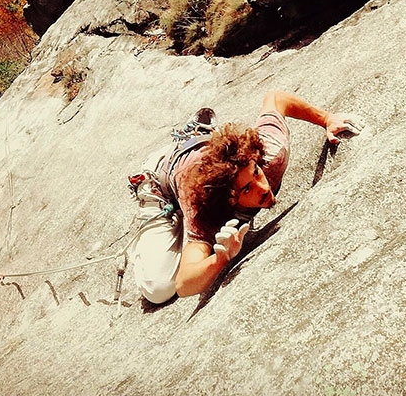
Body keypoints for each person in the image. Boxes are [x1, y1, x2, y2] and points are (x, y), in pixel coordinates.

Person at [129, 89, 361, 304]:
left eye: (256, 174)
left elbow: (276, 99)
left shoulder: (269, 156)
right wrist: (220, 257)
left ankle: (200, 134)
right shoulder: (205, 211)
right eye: (247, 190)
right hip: (163, 181)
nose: (263, 187)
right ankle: (157, 188)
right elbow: (184, 283)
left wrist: (326, 119)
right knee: (158, 289)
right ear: (227, 200)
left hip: (202, 157)